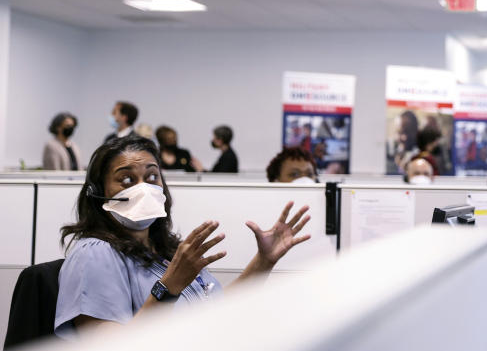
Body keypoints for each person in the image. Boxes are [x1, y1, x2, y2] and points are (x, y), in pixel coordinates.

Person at [55, 136, 310, 338]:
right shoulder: (94, 254)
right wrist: (168, 289)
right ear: (99, 192)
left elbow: (216, 311)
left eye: (152, 177)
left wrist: (263, 261)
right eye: (126, 179)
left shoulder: (163, 249)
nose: (143, 188)